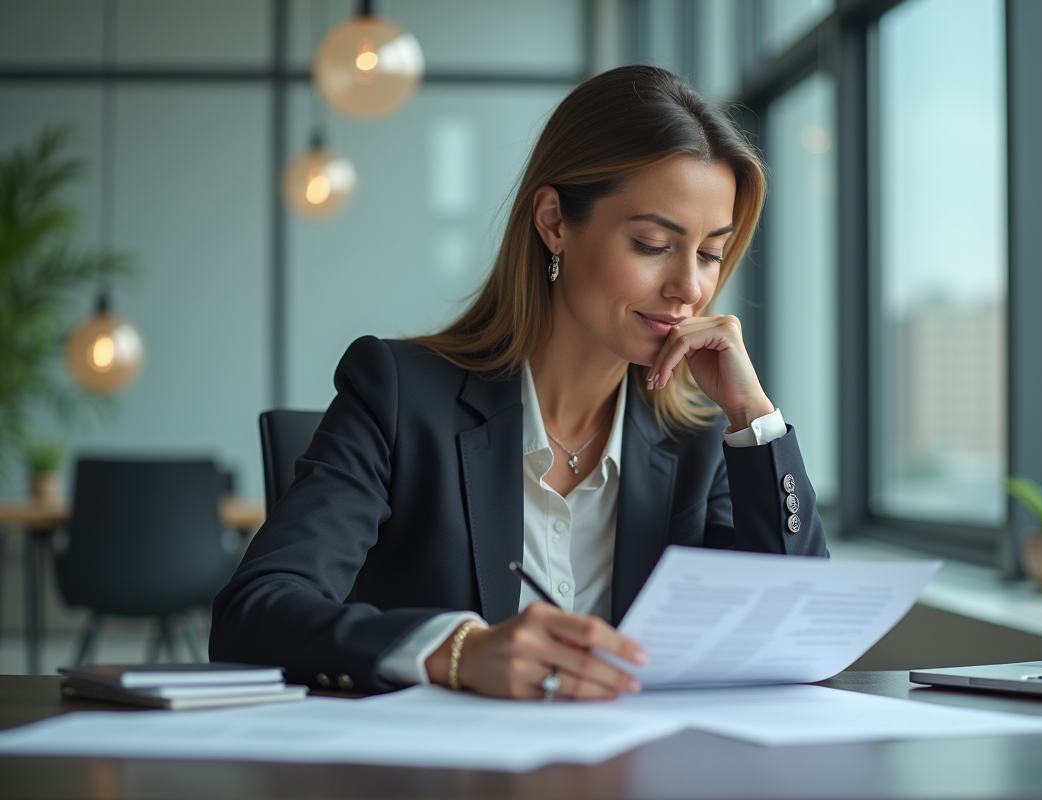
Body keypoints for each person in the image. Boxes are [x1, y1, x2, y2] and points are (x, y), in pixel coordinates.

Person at [210, 65, 827, 701]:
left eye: (708, 253)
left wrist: (754, 420)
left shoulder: (698, 438)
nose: (690, 289)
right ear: (555, 220)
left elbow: (798, 633)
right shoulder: (397, 395)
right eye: (652, 244)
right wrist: (456, 652)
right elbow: (253, 614)